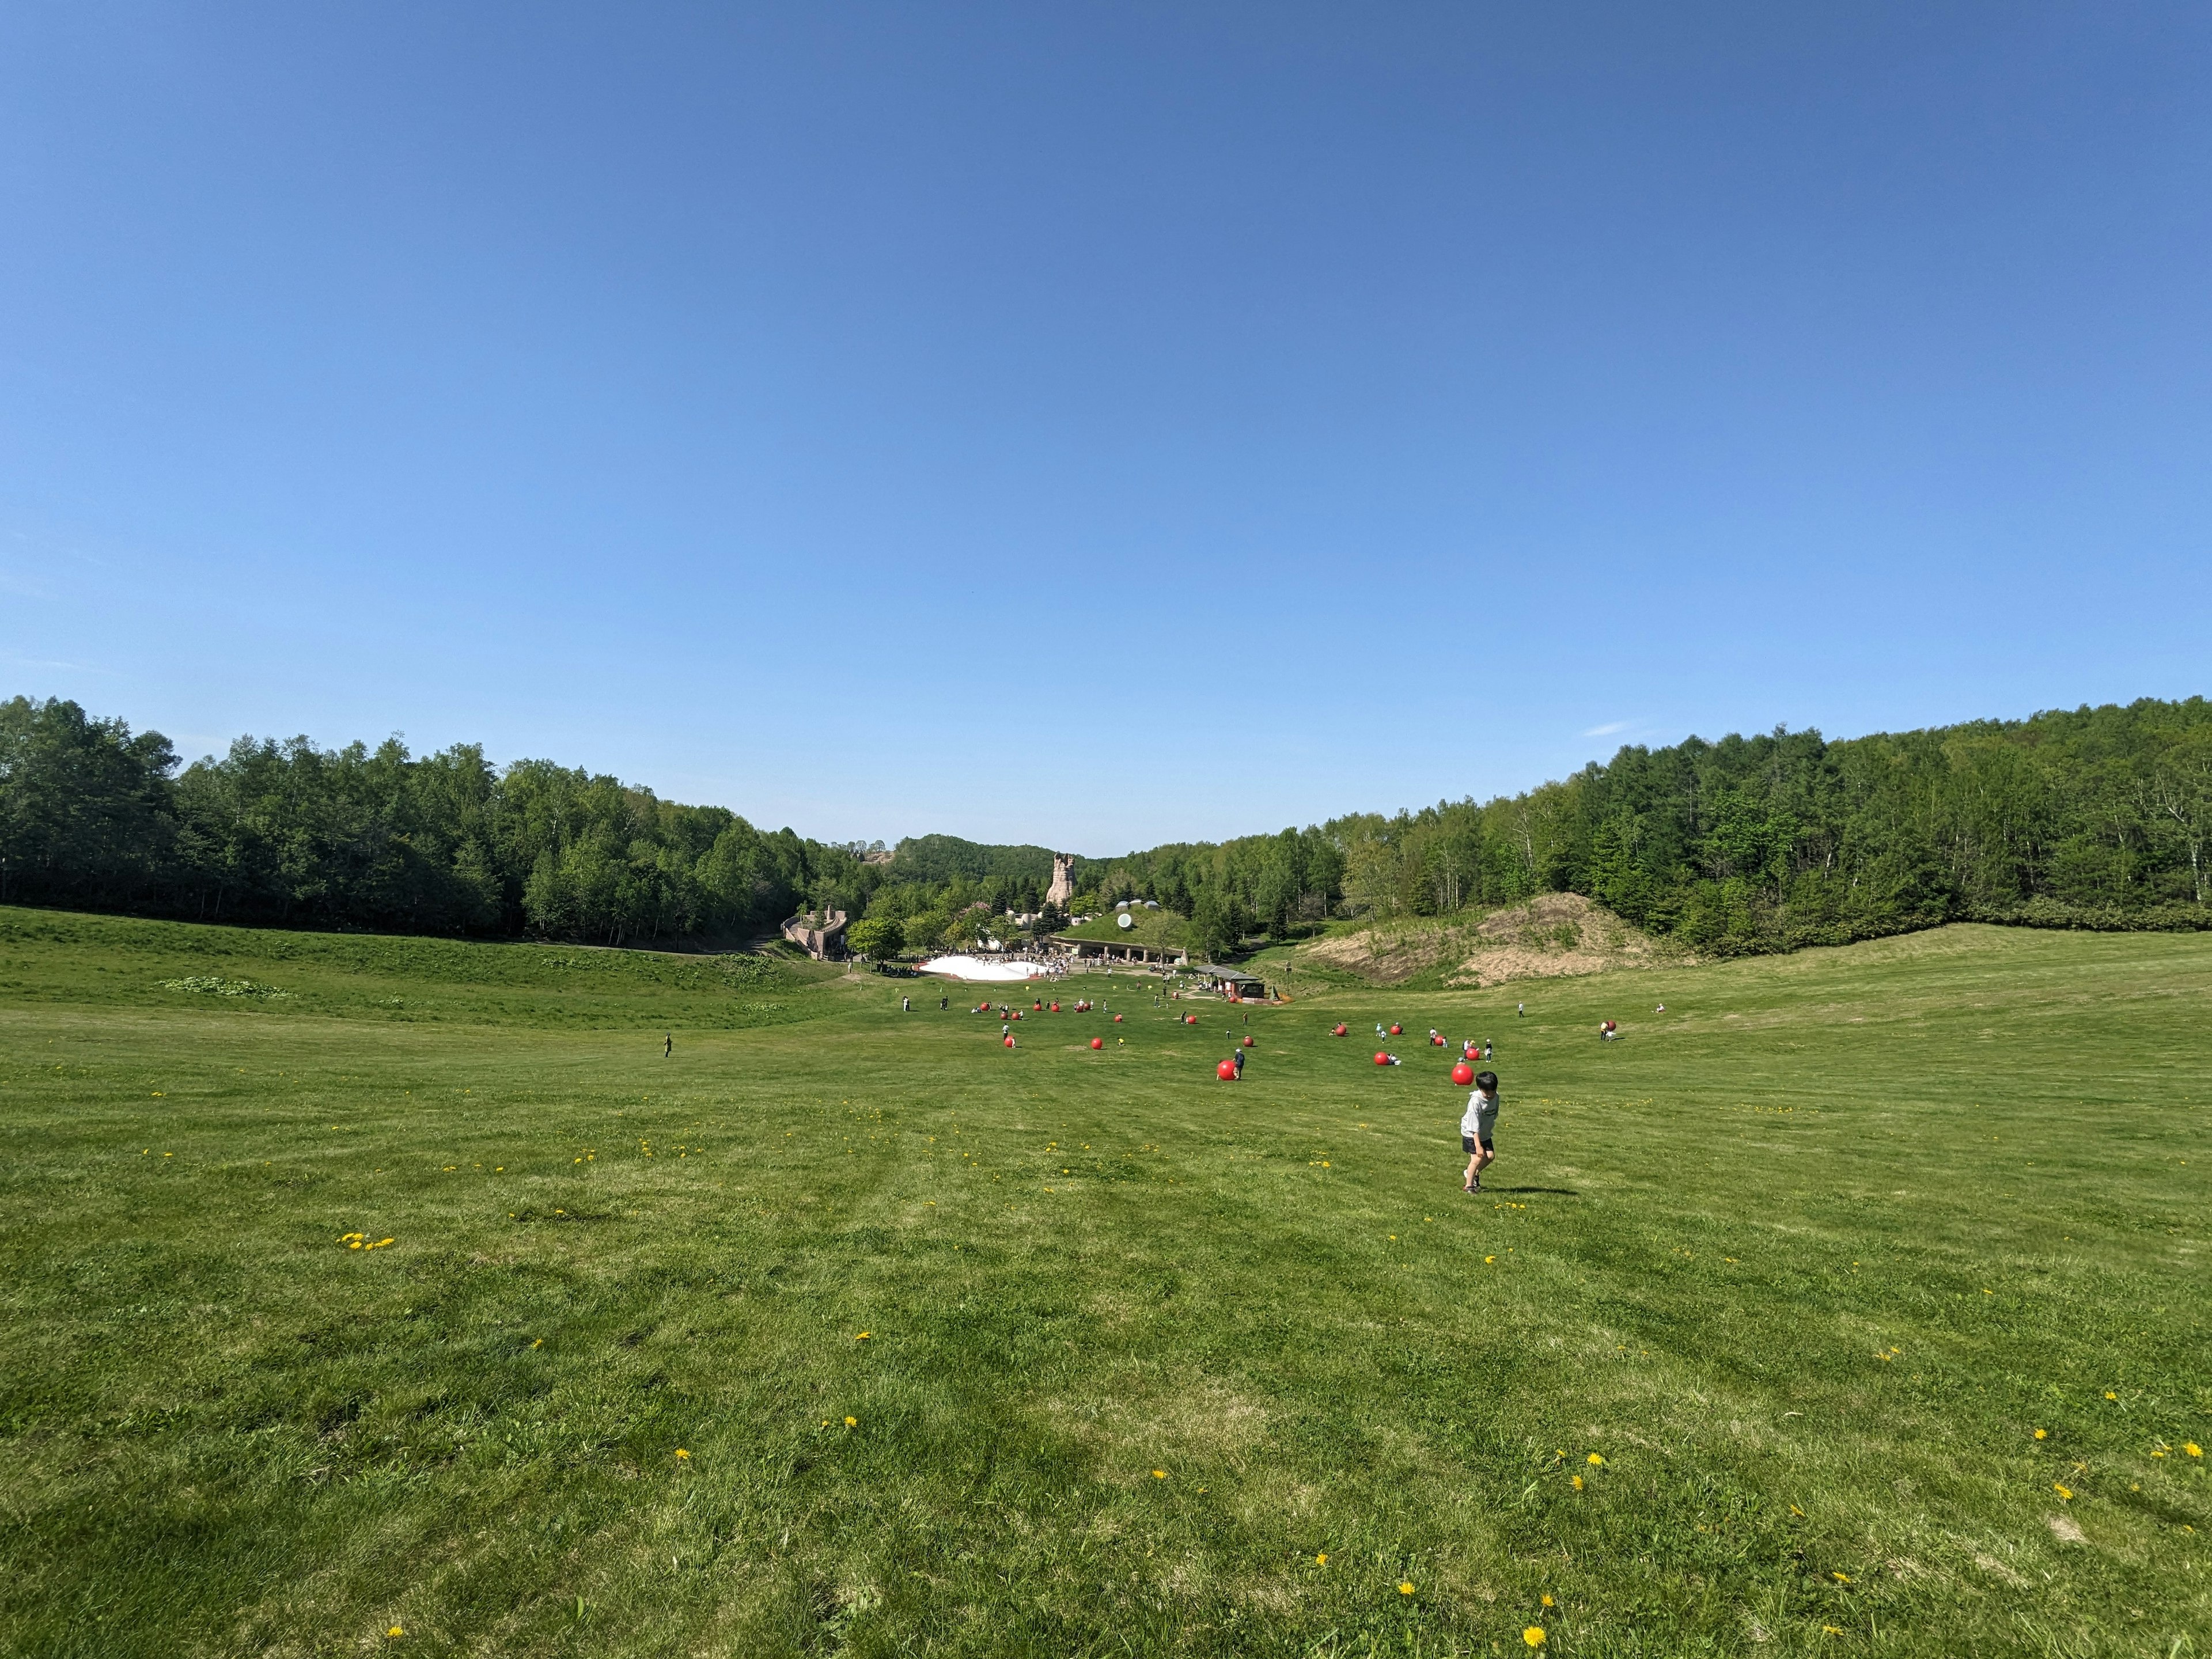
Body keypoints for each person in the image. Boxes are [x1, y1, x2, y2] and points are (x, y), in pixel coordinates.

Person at [1461, 1070, 1499, 1192]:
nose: (1489, 1095)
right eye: (1486, 1092)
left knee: (1490, 1156)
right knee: (1477, 1159)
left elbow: (1494, 1114)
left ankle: (1472, 1173)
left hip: (1484, 1132)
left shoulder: (1496, 1097)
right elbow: (1473, 1126)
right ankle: (1469, 1186)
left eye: (1492, 1091)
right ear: (1480, 1088)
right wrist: (1478, 1145)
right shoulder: (1475, 1102)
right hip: (1471, 1133)